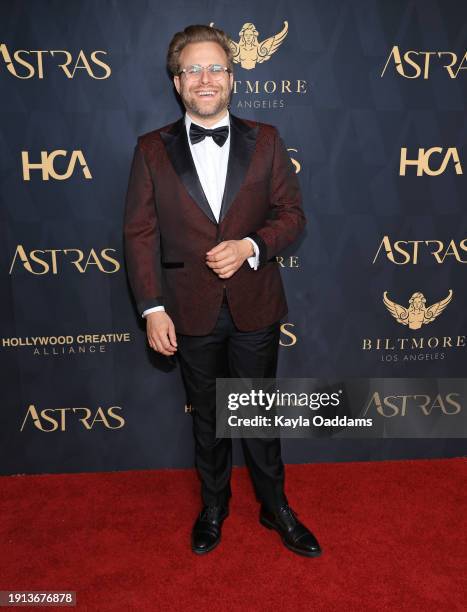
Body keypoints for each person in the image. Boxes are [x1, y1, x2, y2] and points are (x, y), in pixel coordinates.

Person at [124, 24, 321, 558]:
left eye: (215, 68)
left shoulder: (269, 139)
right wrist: (152, 308)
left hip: (255, 302)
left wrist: (252, 246)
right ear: (176, 81)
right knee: (207, 418)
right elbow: (140, 234)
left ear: (233, 78)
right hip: (186, 309)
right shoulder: (150, 149)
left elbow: (292, 215)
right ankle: (214, 505)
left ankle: (274, 504)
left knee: (257, 413)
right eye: (193, 69)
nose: (205, 78)